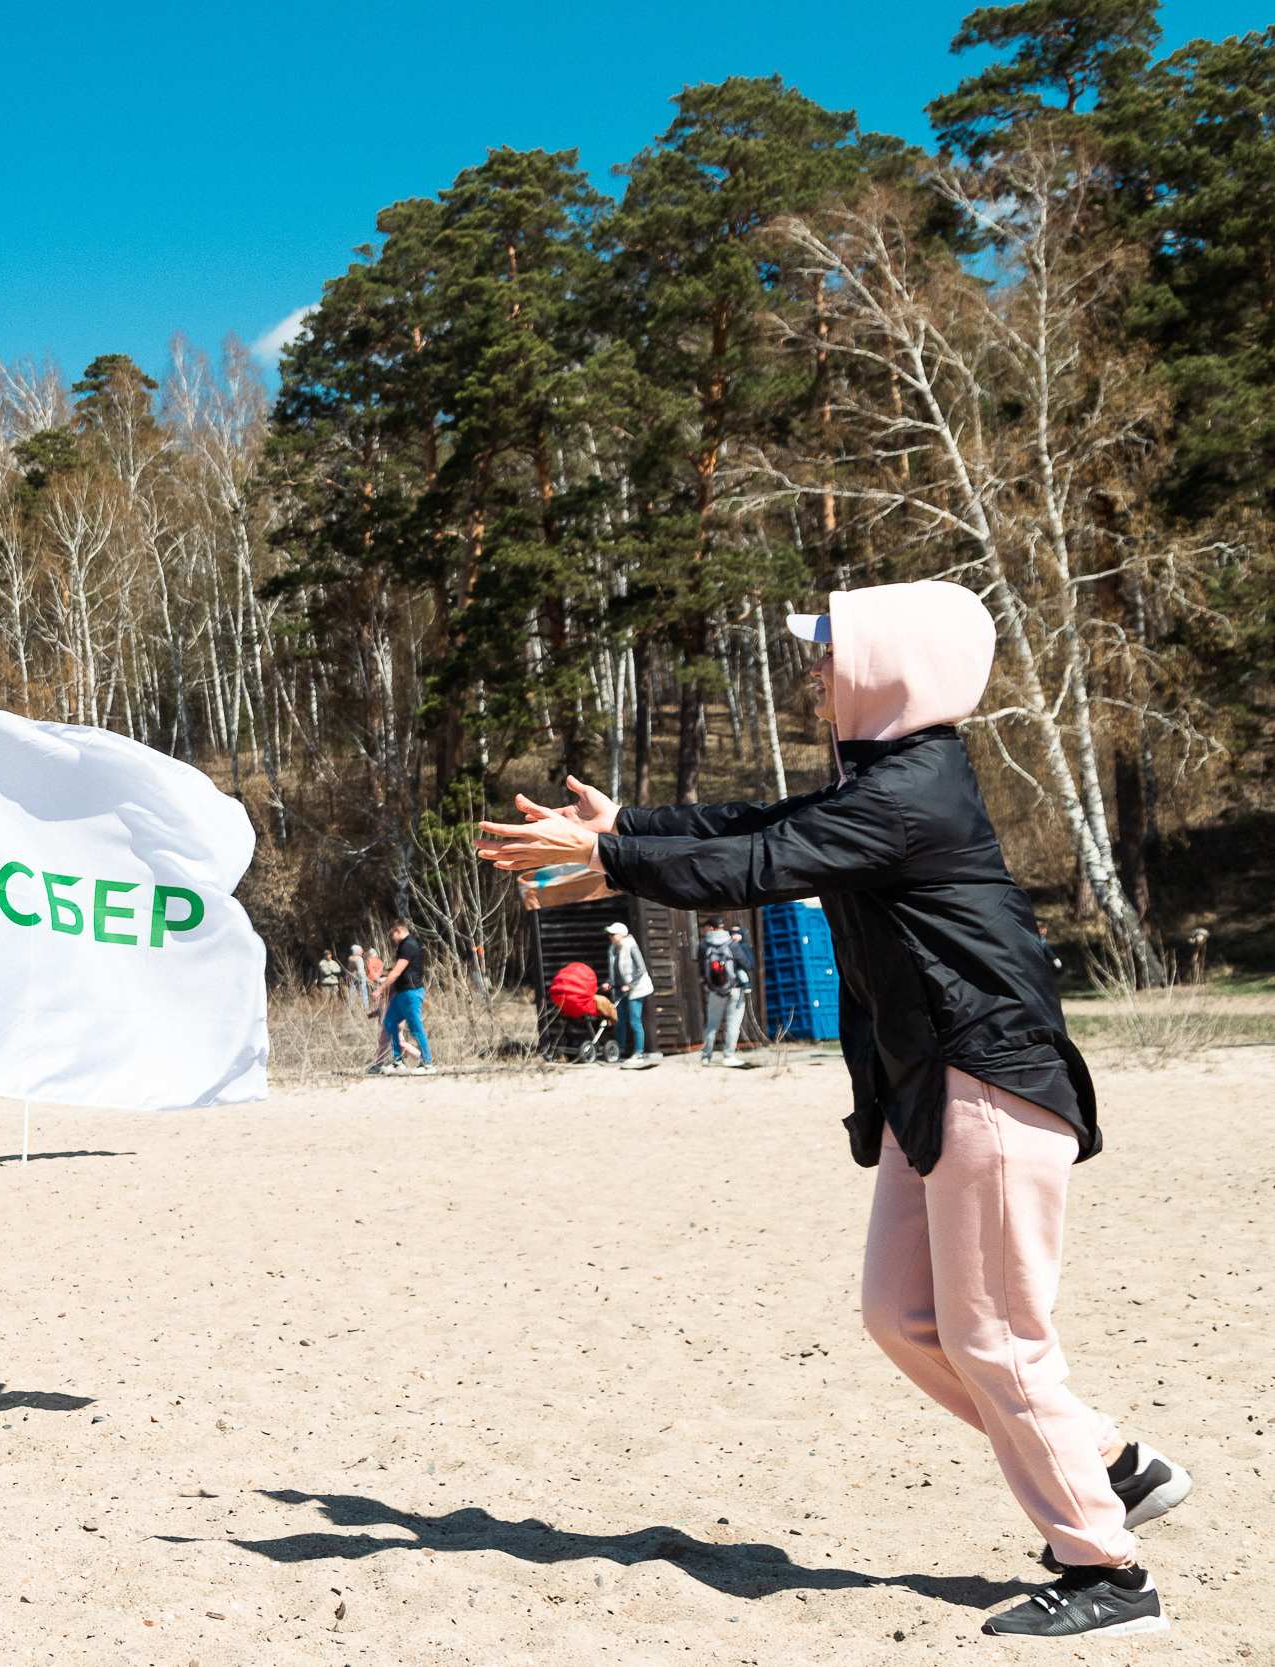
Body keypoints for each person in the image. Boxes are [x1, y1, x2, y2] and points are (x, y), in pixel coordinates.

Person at [476, 580, 1187, 1639]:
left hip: (983, 1076)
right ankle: (1112, 1468)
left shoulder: (911, 792)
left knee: (998, 1339)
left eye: (831, 654)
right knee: (902, 1314)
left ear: (892, 669)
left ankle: (1108, 1572)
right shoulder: (889, 780)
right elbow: (762, 822)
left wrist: (616, 857)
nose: (816, 672)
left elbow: (763, 861)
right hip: (927, 1083)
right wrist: (624, 823)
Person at [363, 918, 433, 1076]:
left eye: (392, 935)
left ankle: (427, 1063)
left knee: (415, 1026)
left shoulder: (409, 945)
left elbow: (397, 971)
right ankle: (397, 1061)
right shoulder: (403, 945)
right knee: (389, 1022)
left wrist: (379, 989)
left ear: (400, 931)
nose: (391, 938)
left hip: (411, 992)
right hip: (401, 993)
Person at [697, 924, 755, 1068]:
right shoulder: (733, 945)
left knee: (712, 1024)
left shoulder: (704, 945)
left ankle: (706, 1056)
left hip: (715, 990)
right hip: (735, 989)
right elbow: (748, 965)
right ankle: (728, 1056)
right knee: (733, 1024)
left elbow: (702, 967)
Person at [604, 922, 655, 1067]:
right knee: (619, 1020)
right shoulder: (613, 949)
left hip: (636, 989)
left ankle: (639, 1053)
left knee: (634, 1021)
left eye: (613, 934)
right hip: (620, 989)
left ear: (621, 935)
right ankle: (619, 1050)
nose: (611, 937)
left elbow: (641, 969)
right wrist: (609, 982)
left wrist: (630, 985)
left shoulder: (631, 946)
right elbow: (616, 971)